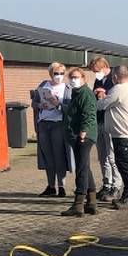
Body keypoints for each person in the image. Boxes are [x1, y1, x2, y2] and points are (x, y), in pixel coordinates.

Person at [96, 65, 128, 208]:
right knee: (124, 164)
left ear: (115, 77)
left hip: (122, 133)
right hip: (124, 132)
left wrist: (101, 96)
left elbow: (102, 105)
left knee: (125, 165)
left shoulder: (118, 89)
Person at [61, 67, 98, 217]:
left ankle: (78, 204)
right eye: (71, 77)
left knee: (81, 169)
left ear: (83, 78)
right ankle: (92, 202)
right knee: (85, 167)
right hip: (77, 135)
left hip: (84, 136)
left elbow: (88, 114)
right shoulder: (76, 93)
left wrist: (83, 132)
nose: (73, 80)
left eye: (76, 77)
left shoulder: (85, 94)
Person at [32, 62, 72, 197]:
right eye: (56, 73)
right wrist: (39, 104)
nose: (59, 76)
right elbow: (34, 102)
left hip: (58, 124)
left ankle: (61, 186)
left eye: (61, 73)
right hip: (44, 124)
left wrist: (58, 104)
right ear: (51, 74)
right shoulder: (44, 85)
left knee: (59, 155)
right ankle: (50, 186)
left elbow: (70, 108)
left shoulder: (67, 88)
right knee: (48, 156)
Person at [90, 57, 123, 201]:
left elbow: (114, 98)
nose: (95, 74)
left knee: (111, 156)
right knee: (102, 156)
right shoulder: (98, 80)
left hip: (109, 121)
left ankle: (116, 185)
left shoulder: (113, 79)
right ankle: (106, 184)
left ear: (103, 67)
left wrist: (104, 94)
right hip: (99, 120)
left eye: (96, 71)